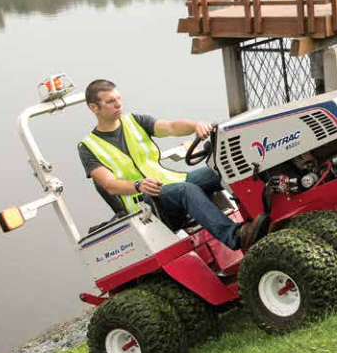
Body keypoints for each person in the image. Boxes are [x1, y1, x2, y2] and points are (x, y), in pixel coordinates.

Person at [78, 79, 269, 250]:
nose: (118, 104)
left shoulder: (134, 121)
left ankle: (268, 212)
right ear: (94, 108)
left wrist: (195, 125)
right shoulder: (88, 147)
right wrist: (138, 185)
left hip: (171, 182)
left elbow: (170, 127)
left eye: (118, 98)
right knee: (185, 190)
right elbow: (109, 185)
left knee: (221, 169)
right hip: (144, 203)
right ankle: (236, 236)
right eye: (110, 101)